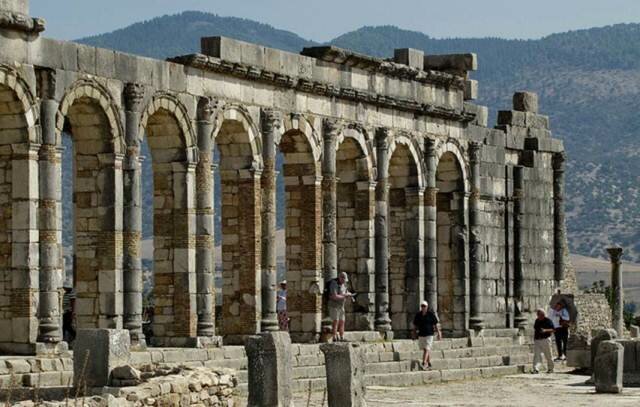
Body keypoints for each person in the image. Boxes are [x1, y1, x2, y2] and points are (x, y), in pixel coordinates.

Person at [412, 301, 442, 370]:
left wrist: (439, 333)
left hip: (429, 334)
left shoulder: (431, 314)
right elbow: (415, 326)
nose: (423, 307)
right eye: (422, 306)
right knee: (425, 349)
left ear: (427, 307)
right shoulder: (418, 315)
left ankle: (424, 363)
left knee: (427, 348)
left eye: (424, 306)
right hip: (421, 334)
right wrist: (413, 334)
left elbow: (435, 324)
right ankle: (429, 363)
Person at [328, 272, 352, 342]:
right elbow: (334, 296)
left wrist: (349, 294)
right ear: (340, 278)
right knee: (335, 321)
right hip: (334, 306)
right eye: (343, 279)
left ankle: (342, 337)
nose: (344, 281)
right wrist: (345, 296)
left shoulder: (344, 284)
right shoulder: (334, 284)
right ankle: (334, 337)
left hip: (341, 306)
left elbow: (344, 293)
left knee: (342, 321)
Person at [532, 308, 555, 374]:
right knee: (537, 355)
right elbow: (536, 329)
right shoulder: (537, 321)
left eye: (540, 315)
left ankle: (550, 368)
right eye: (538, 315)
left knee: (548, 354)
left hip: (545, 339)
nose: (538, 316)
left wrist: (545, 330)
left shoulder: (548, 320)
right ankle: (536, 369)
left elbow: (553, 329)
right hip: (538, 339)